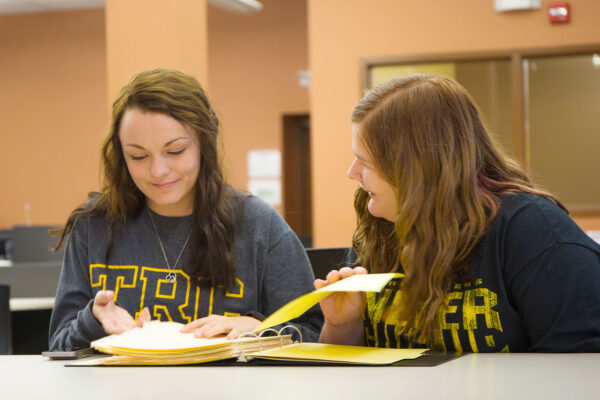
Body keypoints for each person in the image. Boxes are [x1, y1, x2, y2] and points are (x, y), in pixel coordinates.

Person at [316, 74, 600, 353]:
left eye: (365, 162)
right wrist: (343, 327)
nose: (351, 173)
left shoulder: (532, 231)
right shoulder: (382, 227)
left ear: (416, 170)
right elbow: (346, 375)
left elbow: (581, 367)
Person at [49, 68, 322, 351]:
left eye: (176, 151)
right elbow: (57, 346)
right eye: (138, 156)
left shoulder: (259, 226)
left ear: (204, 143)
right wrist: (94, 319)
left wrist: (259, 329)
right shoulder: (94, 226)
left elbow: (314, 334)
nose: (158, 171)